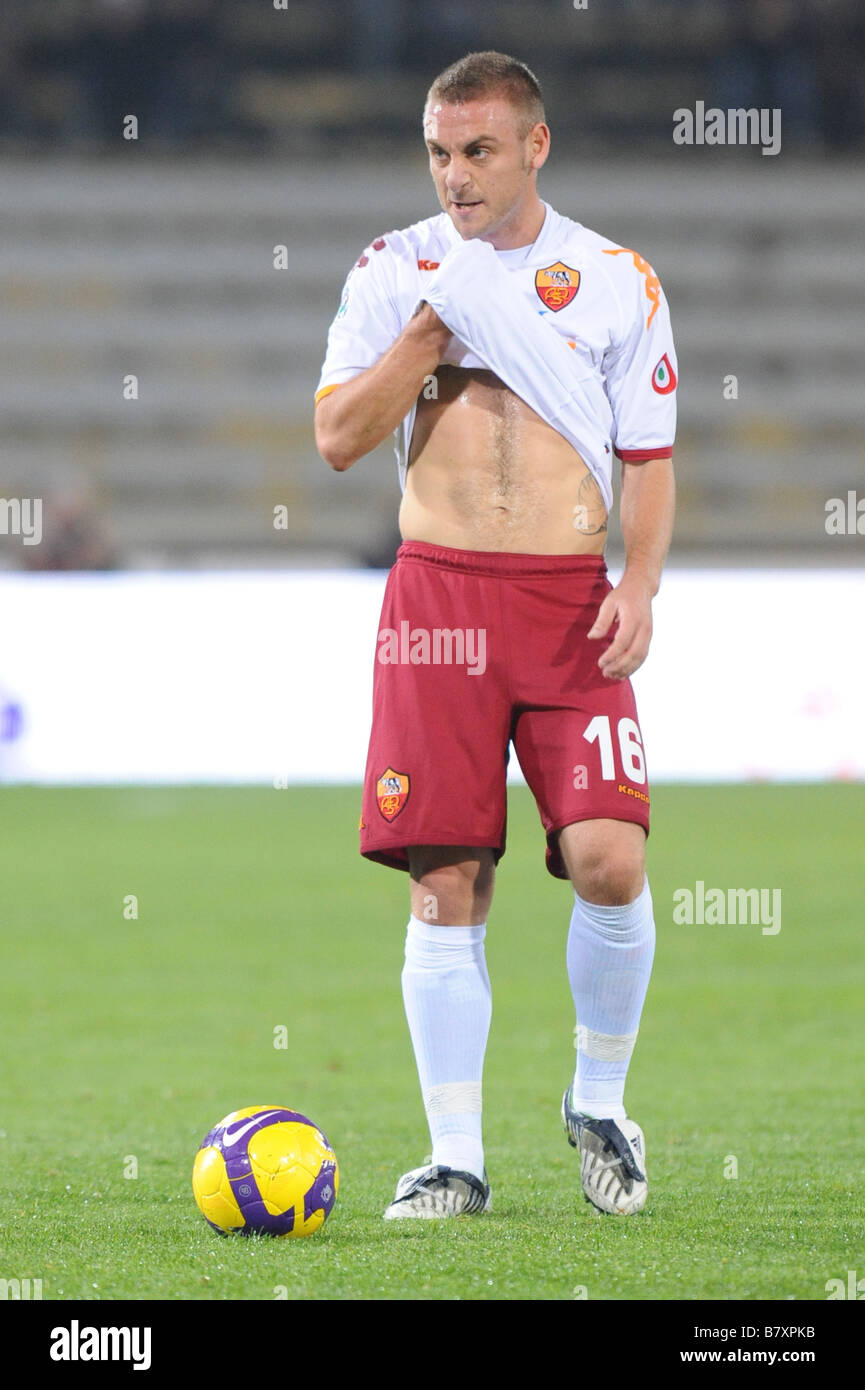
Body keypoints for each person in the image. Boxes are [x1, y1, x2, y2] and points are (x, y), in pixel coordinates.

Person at [314, 51, 676, 1220]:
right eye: (437, 151)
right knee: (445, 881)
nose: (455, 175)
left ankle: (599, 1099)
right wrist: (426, 339)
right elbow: (334, 438)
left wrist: (644, 582)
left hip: (568, 602)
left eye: (478, 150)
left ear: (535, 145)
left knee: (612, 860)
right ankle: (455, 1156)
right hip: (438, 604)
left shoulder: (615, 278)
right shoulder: (395, 269)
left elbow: (648, 456)